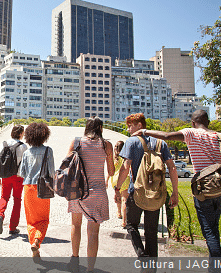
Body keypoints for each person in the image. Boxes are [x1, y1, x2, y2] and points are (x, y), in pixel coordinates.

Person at [132, 109, 221, 260]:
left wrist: (144, 131)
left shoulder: (191, 133)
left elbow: (166, 136)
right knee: (214, 229)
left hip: (204, 190)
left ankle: (220, 269)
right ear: (208, 121)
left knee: (209, 232)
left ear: (193, 123)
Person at [114, 113, 179, 258]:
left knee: (131, 225)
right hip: (156, 193)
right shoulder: (161, 143)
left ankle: (141, 255)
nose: (129, 129)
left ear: (139, 126)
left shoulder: (131, 142)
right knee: (151, 231)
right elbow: (172, 167)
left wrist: (117, 188)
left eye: (130, 126)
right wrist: (175, 192)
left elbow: (125, 167)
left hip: (136, 192)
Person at [67, 117, 114, 271]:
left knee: (76, 224)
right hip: (97, 191)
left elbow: (66, 164)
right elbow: (112, 171)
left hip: (77, 191)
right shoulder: (106, 145)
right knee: (93, 232)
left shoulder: (77, 142)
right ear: (100, 127)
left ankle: (74, 258)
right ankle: (90, 269)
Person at [19, 122, 54, 258]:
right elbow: (51, 172)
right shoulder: (48, 151)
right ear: (44, 136)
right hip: (43, 188)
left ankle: (35, 246)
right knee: (43, 219)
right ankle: (38, 240)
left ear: (29, 136)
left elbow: (22, 172)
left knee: (31, 220)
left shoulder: (27, 152)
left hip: (28, 188)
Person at [0, 125, 28, 235]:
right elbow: (25, 164)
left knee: (4, 197)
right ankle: (12, 227)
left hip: (5, 176)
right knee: (17, 200)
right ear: (20, 134)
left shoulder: (4, 144)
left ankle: (0, 215)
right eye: (23, 133)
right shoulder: (23, 147)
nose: (23, 135)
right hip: (18, 177)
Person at [106, 140, 129, 227]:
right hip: (125, 179)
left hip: (115, 180)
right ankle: (124, 221)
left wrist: (107, 181)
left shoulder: (114, 158)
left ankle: (119, 212)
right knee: (124, 200)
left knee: (117, 197)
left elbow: (110, 171)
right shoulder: (126, 157)